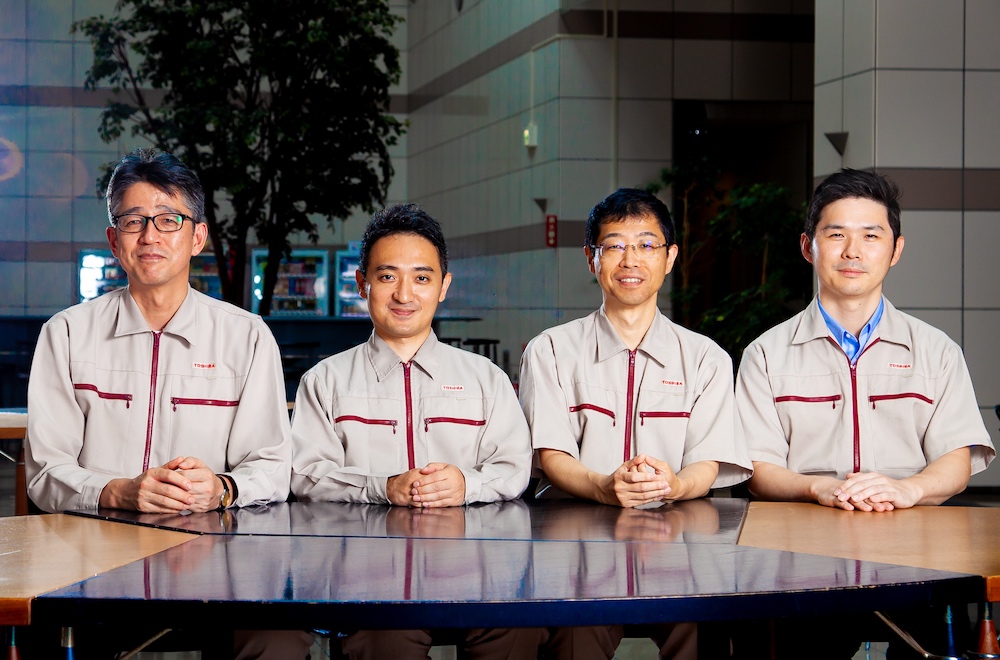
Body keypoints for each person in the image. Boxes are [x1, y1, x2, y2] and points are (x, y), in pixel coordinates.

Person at [24, 147, 310, 659]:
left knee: (277, 639)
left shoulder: (245, 336)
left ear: (197, 236)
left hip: (219, 561)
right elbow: (46, 474)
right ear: (114, 240)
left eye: (169, 219)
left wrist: (221, 488)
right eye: (133, 221)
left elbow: (272, 465)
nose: (150, 235)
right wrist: (118, 492)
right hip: (94, 562)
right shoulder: (66, 334)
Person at [733, 167, 996, 659]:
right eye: (837, 235)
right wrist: (819, 487)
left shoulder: (936, 351)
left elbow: (957, 460)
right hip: (800, 559)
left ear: (895, 250)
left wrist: (906, 489)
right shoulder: (766, 354)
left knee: (946, 642)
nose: (853, 252)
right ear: (809, 246)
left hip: (918, 557)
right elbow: (757, 468)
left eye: (871, 236)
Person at [290, 203, 538, 659]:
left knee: (515, 630)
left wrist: (467, 483)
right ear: (363, 283)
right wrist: (382, 486)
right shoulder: (325, 381)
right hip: (364, 575)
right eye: (387, 277)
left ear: (443, 286)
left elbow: (515, 466)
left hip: (474, 568)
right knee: (385, 641)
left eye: (422, 278)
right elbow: (305, 474)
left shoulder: (486, 379)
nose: (404, 293)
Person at [518, 187, 752, 660]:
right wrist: (604, 486)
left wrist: (676, 483)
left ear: (670, 259)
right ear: (591, 258)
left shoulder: (706, 358)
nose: (631, 259)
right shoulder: (551, 350)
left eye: (647, 245)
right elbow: (550, 454)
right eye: (615, 245)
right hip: (576, 542)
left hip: (680, 541)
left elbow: (709, 459)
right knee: (572, 635)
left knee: (706, 627)